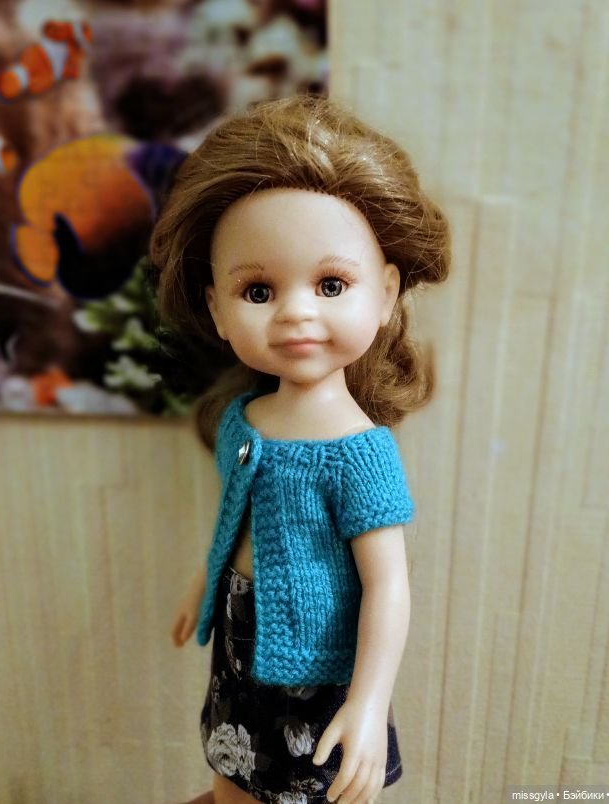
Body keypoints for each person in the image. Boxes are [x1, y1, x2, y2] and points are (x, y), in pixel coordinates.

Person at [150, 95, 450, 804]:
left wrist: (370, 703)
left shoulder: (358, 452)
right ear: (217, 309)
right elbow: (235, 518)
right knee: (233, 764)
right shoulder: (242, 422)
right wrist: (204, 583)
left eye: (331, 285)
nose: (296, 313)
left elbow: (388, 584)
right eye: (258, 290)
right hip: (242, 631)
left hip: (320, 661)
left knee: (315, 783)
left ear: (385, 294)